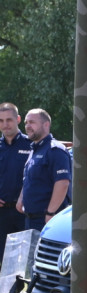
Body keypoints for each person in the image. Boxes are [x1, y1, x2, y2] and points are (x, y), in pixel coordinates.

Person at [16, 109, 71, 231]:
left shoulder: (56, 150)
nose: (27, 126)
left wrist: (50, 213)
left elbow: (62, 183)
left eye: (32, 122)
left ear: (46, 124)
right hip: (30, 220)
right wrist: (21, 199)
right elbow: (29, 178)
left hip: (48, 220)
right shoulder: (33, 150)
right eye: (26, 123)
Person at [0, 103, 32, 264]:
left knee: (23, 261)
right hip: (2, 214)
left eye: (9, 120)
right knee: (3, 260)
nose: (5, 124)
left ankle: (19, 290)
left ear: (18, 119)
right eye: (1, 121)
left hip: (24, 213)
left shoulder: (31, 145)